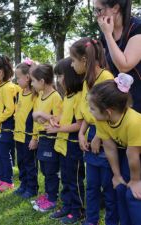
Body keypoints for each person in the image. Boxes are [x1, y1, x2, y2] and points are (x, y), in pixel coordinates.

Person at [70, 37, 118, 225]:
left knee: (108, 188)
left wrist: (99, 136)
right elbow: (87, 112)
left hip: (106, 139)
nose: (72, 65)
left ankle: (111, 222)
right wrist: (82, 133)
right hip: (90, 136)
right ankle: (91, 220)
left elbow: (110, 113)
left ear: (84, 60)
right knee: (91, 186)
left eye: (73, 61)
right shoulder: (86, 81)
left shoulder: (106, 78)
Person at [89, 73, 141, 225]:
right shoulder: (102, 120)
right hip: (131, 155)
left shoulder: (134, 122)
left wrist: (136, 180)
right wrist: (117, 175)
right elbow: (110, 148)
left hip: (135, 155)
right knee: (120, 188)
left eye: (92, 108)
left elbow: (133, 154)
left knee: (134, 194)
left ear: (108, 111)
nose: (89, 111)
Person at [47, 57, 85, 224]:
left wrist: (58, 128)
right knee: (66, 178)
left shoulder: (79, 96)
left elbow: (79, 124)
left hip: (73, 145)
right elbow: (63, 116)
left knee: (75, 180)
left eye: (61, 75)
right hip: (62, 144)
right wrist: (55, 120)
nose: (58, 80)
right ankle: (67, 205)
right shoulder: (67, 96)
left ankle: (78, 210)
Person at [95, 0, 141, 112]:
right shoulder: (105, 33)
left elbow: (124, 66)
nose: (96, 15)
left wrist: (107, 34)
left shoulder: (137, 28)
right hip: (118, 100)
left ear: (115, 8)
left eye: (99, 10)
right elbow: (105, 67)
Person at [30, 64, 62, 212]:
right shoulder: (40, 96)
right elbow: (36, 120)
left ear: (42, 81)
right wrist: (34, 137)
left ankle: (52, 198)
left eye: (33, 81)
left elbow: (58, 120)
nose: (32, 84)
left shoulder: (55, 97)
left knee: (50, 169)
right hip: (42, 138)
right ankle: (48, 194)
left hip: (51, 138)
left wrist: (44, 116)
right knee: (44, 167)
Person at [0, 55, 18, 192]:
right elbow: (1, 107)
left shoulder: (6, 88)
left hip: (6, 126)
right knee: (0, 153)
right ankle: (2, 176)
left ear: (0, 72)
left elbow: (10, 109)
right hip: (1, 125)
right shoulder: (2, 86)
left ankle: (7, 181)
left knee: (4, 154)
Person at [13, 60, 38, 199]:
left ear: (27, 78)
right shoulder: (20, 93)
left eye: (18, 78)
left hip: (29, 137)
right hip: (18, 136)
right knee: (21, 162)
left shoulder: (35, 96)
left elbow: (35, 120)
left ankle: (32, 188)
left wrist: (35, 138)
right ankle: (23, 184)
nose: (17, 81)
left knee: (30, 164)